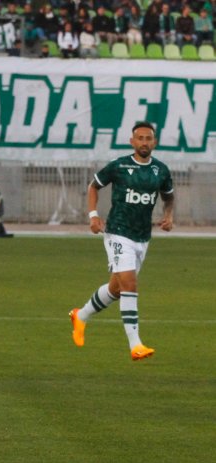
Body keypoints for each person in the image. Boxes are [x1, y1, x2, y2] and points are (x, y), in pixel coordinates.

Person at [69, 121, 175, 362]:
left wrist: (168, 216)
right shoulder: (119, 166)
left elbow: (168, 196)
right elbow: (94, 186)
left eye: (149, 138)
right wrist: (93, 216)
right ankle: (135, 344)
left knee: (116, 289)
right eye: (140, 138)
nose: (144, 142)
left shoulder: (161, 170)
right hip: (117, 232)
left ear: (154, 142)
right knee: (129, 284)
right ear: (132, 142)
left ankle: (80, 315)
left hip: (142, 237)